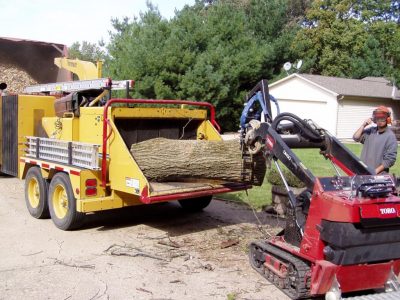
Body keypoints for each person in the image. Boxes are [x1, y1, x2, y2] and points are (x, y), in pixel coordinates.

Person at [353, 106, 397, 174]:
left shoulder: (390, 136)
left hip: (378, 175)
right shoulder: (370, 131)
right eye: (378, 118)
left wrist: (375, 171)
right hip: (364, 172)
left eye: (382, 118)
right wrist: (363, 125)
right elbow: (356, 137)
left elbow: (390, 160)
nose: (379, 120)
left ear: (388, 119)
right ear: (374, 119)